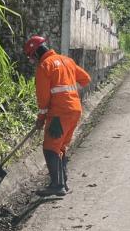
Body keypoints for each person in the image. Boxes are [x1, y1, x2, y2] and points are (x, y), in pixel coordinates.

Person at [23, 35, 91, 196]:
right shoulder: (66, 60)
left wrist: (41, 118)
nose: (33, 61)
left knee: (49, 148)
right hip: (75, 110)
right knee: (60, 147)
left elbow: (43, 98)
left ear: (36, 53)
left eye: (32, 57)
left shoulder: (45, 66)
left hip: (59, 114)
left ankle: (57, 185)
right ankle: (63, 182)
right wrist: (70, 94)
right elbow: (86, 79)